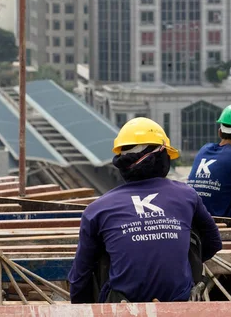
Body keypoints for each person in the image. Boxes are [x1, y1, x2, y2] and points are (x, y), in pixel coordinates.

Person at [68, 117, 222, 304]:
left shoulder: (97, 210)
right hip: (180, 304)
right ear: (162, 157)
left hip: (122, 307)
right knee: (193, 233)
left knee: (99, 252)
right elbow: (213, 242)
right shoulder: (186, 196)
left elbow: (79, 277)